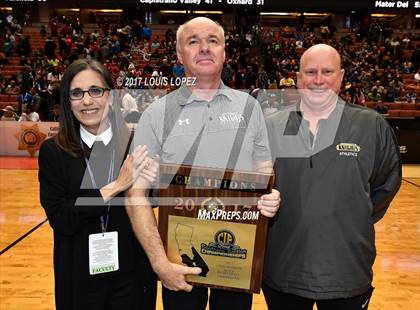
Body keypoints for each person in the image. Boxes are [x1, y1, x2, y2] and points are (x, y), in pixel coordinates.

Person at [126, 17, 280, 310]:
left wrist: (270, 195)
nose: (204, 48)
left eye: (213, 40)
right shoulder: (157, 114)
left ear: (224, 52)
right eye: (193, 41)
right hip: (178, 261)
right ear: (179, 54)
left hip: (237, 254)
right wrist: (160, 263)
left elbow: (263, 168)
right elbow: (136, 195)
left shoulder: (250, 107)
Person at [263, 44, 401, 310]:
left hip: (347, 270)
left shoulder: (371, 126)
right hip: (284, 269)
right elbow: (254, 188)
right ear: (299, 77)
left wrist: (351, 213)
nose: (318, 80)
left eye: (327, 71)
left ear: (341, 76)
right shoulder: (271, 126)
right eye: (310, 72)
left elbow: (386, 184)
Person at [38, 59, 158, 310]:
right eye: (77, 93)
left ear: (111, 97)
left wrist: (154, 181)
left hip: (132, 274)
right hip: (79, 276)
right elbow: (62, 218)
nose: (87, 101)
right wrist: (115, 186)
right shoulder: (53, 151)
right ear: (68, 102)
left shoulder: (136, 144)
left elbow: (150, 204)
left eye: (96, 91)